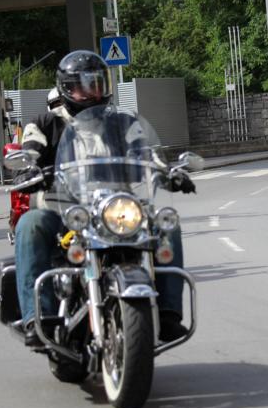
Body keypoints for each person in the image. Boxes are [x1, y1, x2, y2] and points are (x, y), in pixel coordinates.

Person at [14, 50, 194, 347]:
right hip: (65, 215)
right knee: (30, 224)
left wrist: (168, 172)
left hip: (116, 211)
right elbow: (30, 152)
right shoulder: (45, 123)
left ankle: (168, 313)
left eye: (98, 83)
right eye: (84, 85)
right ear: (66, 88)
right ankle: (38, 317)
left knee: (167, 225)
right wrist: (29, 169)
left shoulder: (123, 121)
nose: (93, 91)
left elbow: (147, 153)